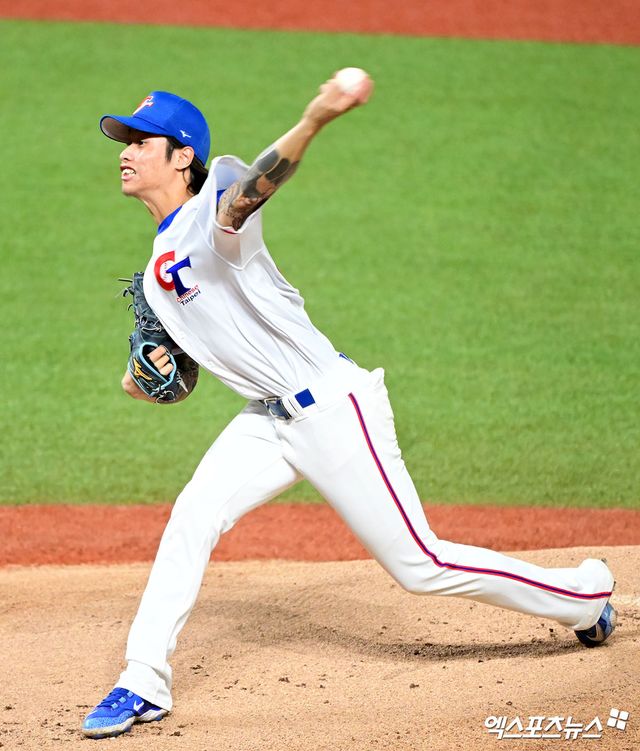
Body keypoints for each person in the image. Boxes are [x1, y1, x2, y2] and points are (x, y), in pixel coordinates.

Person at [82, 76, 616, 739]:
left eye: (142, 141)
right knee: (193, 513)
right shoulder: (161, 265)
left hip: (334, 407)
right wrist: (143, 379)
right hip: (267, 419)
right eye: (125, 141)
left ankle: (584, 594)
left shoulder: (213, 217)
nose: (126, 151)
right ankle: (143, 680)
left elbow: (252, 191)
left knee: (420, 566)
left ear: (183, 155)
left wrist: (316, 116)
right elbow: (171, 382)